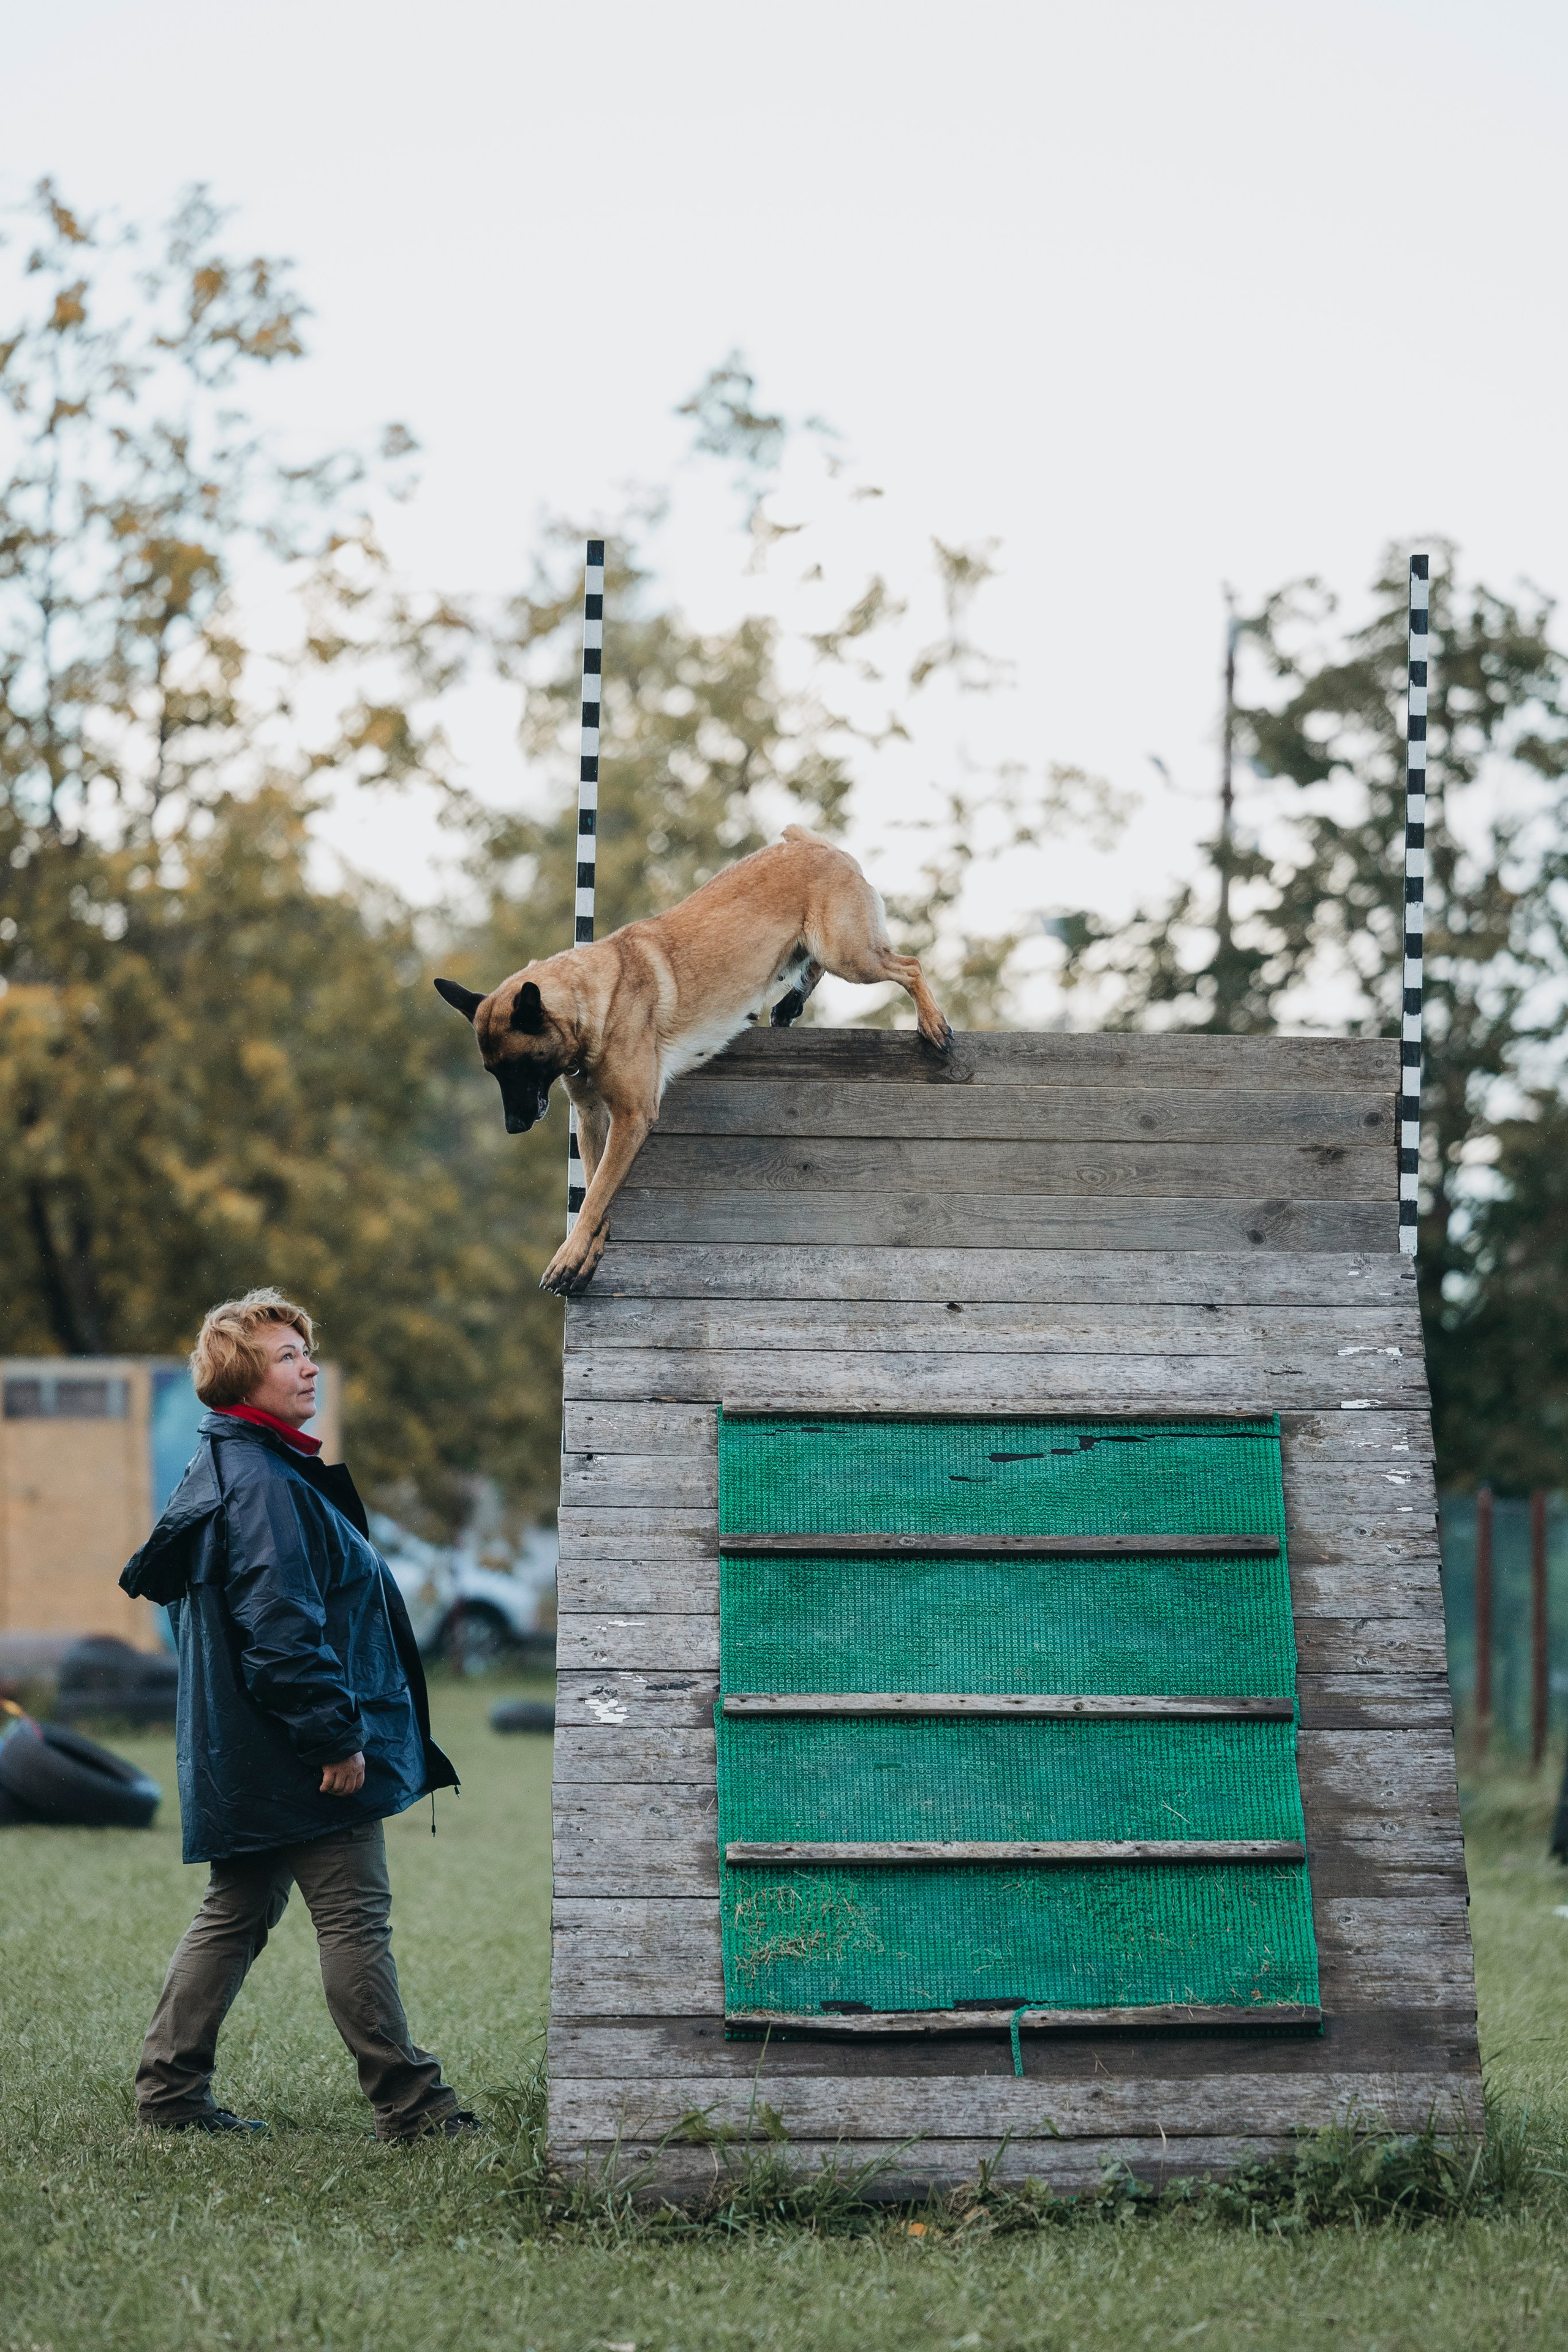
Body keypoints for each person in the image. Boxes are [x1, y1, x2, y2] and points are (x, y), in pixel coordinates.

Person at [121, 1287, 472, 2140]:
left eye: (304, 1352)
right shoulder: (262, 1482)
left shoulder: (237, 1466)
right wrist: (335, 1738)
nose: (308, 1366)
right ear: (244, 1374)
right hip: (301, 1752)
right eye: (287, 1356)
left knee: (234, 1913)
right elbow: (281, 1630)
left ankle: (170, 2094)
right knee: (354, 1920)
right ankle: (413, 2106)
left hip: (253, 1749)